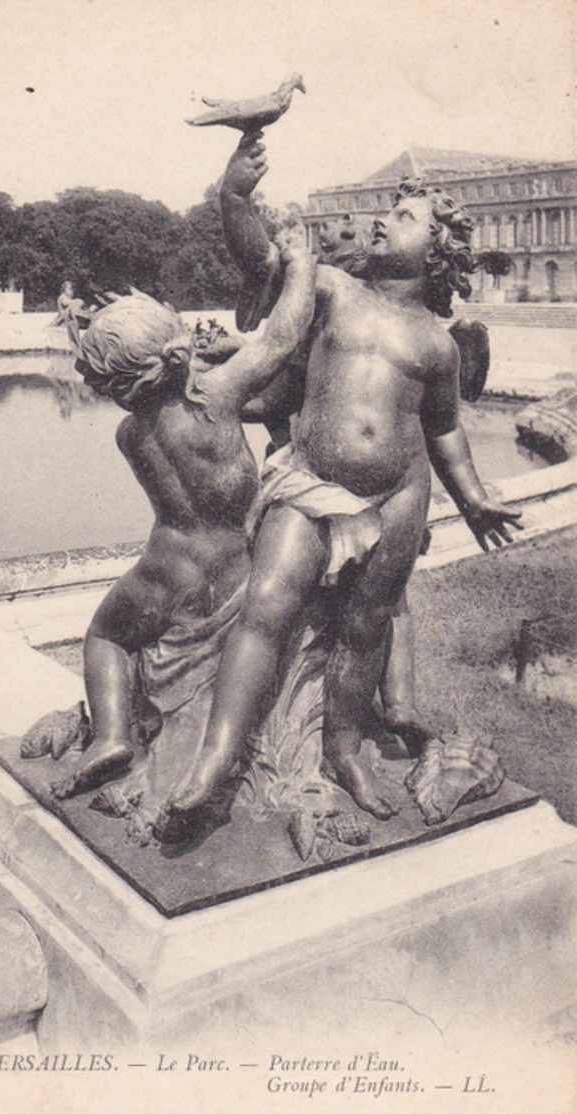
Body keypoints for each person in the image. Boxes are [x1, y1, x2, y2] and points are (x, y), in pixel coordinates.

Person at [167, 135, 522, 822]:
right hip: (310, 482)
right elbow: (263, 259)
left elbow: (445, 430)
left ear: (439, 251)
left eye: (406, 217)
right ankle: (217, 757)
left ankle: (345, 748)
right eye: (388, 211)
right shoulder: (333, 287)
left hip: (398, 498)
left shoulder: (438, 344)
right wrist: (232, 197)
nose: (384, 219)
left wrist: (473, 497)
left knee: (367, 627)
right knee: (266, 605)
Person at [49, 232, 316, 799]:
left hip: (166, 563)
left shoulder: (131, 433)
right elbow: (282, 336)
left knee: (106, 636)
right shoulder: (218, 396)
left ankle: (112, 735)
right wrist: (301, 268)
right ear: (178, 350)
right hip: (235, 558)